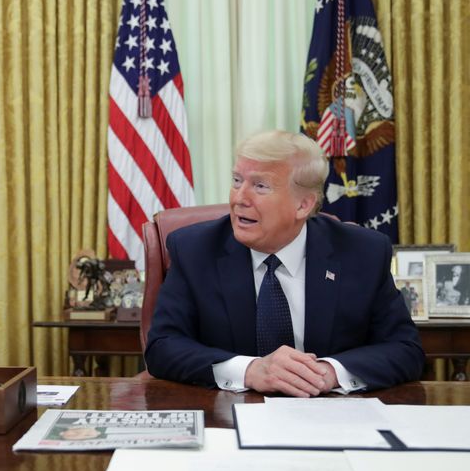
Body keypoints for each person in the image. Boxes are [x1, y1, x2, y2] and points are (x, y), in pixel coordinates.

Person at [145, 130, 423, 396]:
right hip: (226, 417)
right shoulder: (195, 250)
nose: (239, 198)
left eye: (260, 186)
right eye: (237, 180)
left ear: (303, 205)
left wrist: (327, 373)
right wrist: (250, 370)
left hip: (330, 417)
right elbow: (162, 347)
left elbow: (405, 349)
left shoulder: (363, 252)